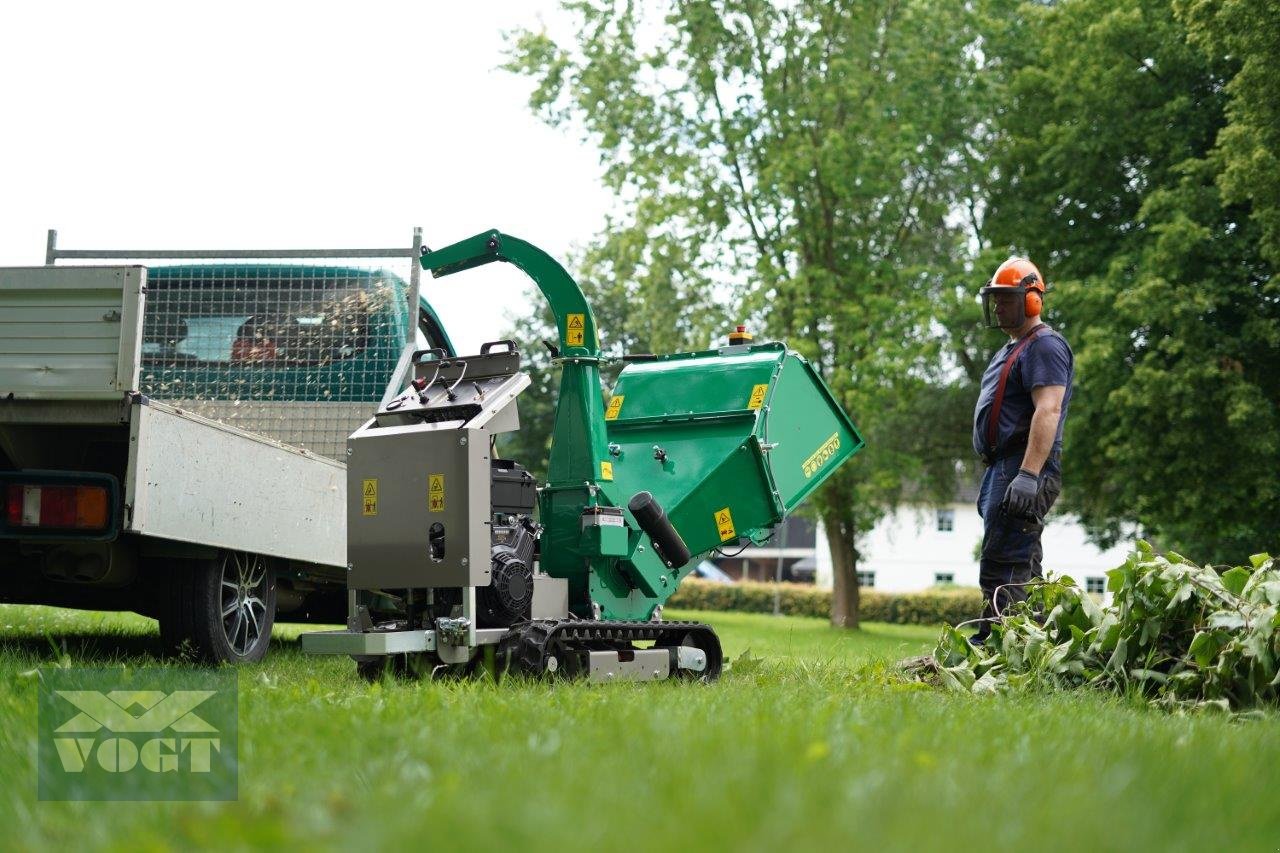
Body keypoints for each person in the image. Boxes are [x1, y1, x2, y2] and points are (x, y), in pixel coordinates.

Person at [969, 257, 1074, 645]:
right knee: (1023, 567)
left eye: (1006, 299)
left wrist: (1028, 475)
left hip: (1022, 468)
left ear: (1032, 300)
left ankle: (993, 652)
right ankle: (1035, 652)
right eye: (994, 299)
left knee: (1002, 566)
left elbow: (1048, 408)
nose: (998, 306)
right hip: (1002, 468)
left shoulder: (1045, 346)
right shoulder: (1014, 347)